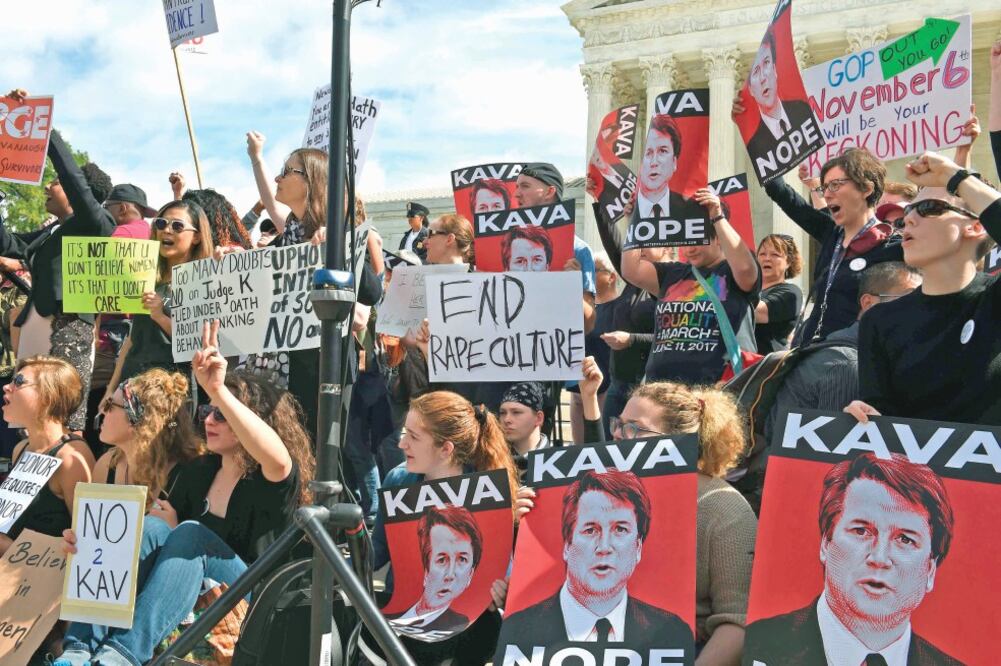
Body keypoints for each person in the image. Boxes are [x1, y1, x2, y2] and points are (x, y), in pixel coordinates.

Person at [56, 321, 315, 666]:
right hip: (194, 600)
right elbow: (154, 541)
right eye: (208, 411)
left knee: (190, 533)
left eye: (222, 415)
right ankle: (79, 649)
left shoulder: (269, 481)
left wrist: (219, 390)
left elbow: (278, 458)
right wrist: (95, 547)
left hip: (254, 603)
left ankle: (121, 656)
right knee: (150, 528)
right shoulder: (198, 471)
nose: (208, 420)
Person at [573, 357, 757, 664]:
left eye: (634, 429)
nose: (618, 435)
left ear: (677, 443)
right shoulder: (606, 499)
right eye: (618, 424)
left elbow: (738, 622)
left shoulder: (722, 508)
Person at [744, 452, 961, 665]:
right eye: (861, 531)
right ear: (825, 544)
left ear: (930, 570)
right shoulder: (756, 643)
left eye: (905, 539)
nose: (879, 558)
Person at [845, 151, 1001, 425]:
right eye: (908, 211)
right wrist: (866, 416)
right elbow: (883, 422)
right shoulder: (879, 321)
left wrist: (955, 177)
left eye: (929, 208)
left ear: (976, 226)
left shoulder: (993, 299)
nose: (908, 220)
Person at [365, 390, 519, 665]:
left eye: (413, 437)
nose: (402, 444)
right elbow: (378, 551)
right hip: (407, 624)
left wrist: (504, 590)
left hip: (471, 627)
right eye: (404, 433)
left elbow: (503, 569)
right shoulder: (398, 479)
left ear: (445, 449)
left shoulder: (488, 490)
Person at [0, 94, 116, 431]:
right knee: (31, 417)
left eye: (55, 182)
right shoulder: (52, 232)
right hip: (36, 325)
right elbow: (9, 243)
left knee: (61, 417)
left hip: (67, 329)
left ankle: (65, 476)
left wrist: (45, 132)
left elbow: (73, 181)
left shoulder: (97, 224)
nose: (48, 187)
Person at [501, 468, 692, 650]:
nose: (604, 547)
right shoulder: (519, 627)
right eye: (591, 530)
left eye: (620, 529)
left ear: (638, 547)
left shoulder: (671, 631)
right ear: (567, 544)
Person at [734, 140, 902, 346]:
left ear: (866, 188)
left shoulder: (894, 246)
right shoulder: (832, 233)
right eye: (825, 187)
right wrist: (752, 133)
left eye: (836, 185)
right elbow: (781, 193)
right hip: (810, 352)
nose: (828, 193)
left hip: (852, 361)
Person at [759, 262, 921, 473]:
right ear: (869, 303)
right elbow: (836, 467)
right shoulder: (847, 364)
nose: (920, 310)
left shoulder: (857, 353)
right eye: (910, 298)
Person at [622, 187, 760, 384]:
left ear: (718, 237)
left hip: (717, 391)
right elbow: (631, 270)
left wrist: (717, 216)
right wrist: (636, 222)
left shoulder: (733, 271)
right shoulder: (672, 273)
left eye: (698, 239)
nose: (690, 249)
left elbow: (747, 270)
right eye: (685, 241)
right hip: (663, 391)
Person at [104, 199, 215, 395]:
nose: (166, 230)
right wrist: (111, 390)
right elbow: (131, 340)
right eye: (161, 223)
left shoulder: (205, 282)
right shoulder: (147, 278)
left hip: (171, 390)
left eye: (177, 226)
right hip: (131, 384)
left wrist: (160, 317)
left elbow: (199, 344)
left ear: (196, 237)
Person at [0, 356, 94, 553]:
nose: (7, 387)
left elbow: (87, 543)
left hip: (44, 578)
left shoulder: (71, 458)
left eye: (18, 382)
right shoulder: (21, 448)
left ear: (48, 396)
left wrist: (8, 547)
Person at [91, 368, 203, 498]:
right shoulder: (106, 465)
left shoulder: (185, 474)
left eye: (109, 405)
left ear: (136, 422)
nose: (103, 411)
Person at [386, 505, 482, 634]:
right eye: (442, 560)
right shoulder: (387, 614)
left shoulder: (465, 625)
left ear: (470, 574)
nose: (450, 574)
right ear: (426, 568)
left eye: (462, 560)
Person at [743, 29, 816, 172]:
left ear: (775, 70)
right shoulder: (754, 143)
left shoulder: (805, 110)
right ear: (750, 89)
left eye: (767, 63)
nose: (764, 77)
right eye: (756, 71)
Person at [633, 114, 706, 224]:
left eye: (662, 151)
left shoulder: (690, 210)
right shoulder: (632, 210)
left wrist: (717, 216)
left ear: (674, 162)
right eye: (648, 153)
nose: (653, 162)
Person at [754, 233, 803, 352]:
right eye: (762, 254)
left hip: (765, 365)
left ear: (789, 262)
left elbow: (757, 313)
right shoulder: (747, 288)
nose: (767, 258)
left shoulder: (791, 292)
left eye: (775, 254)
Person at [498, 381, 550, 478]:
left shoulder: (559, 462)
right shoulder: (492, 461)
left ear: (539, 418)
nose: (506, 419)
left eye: (516, 412)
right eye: (502, 413)